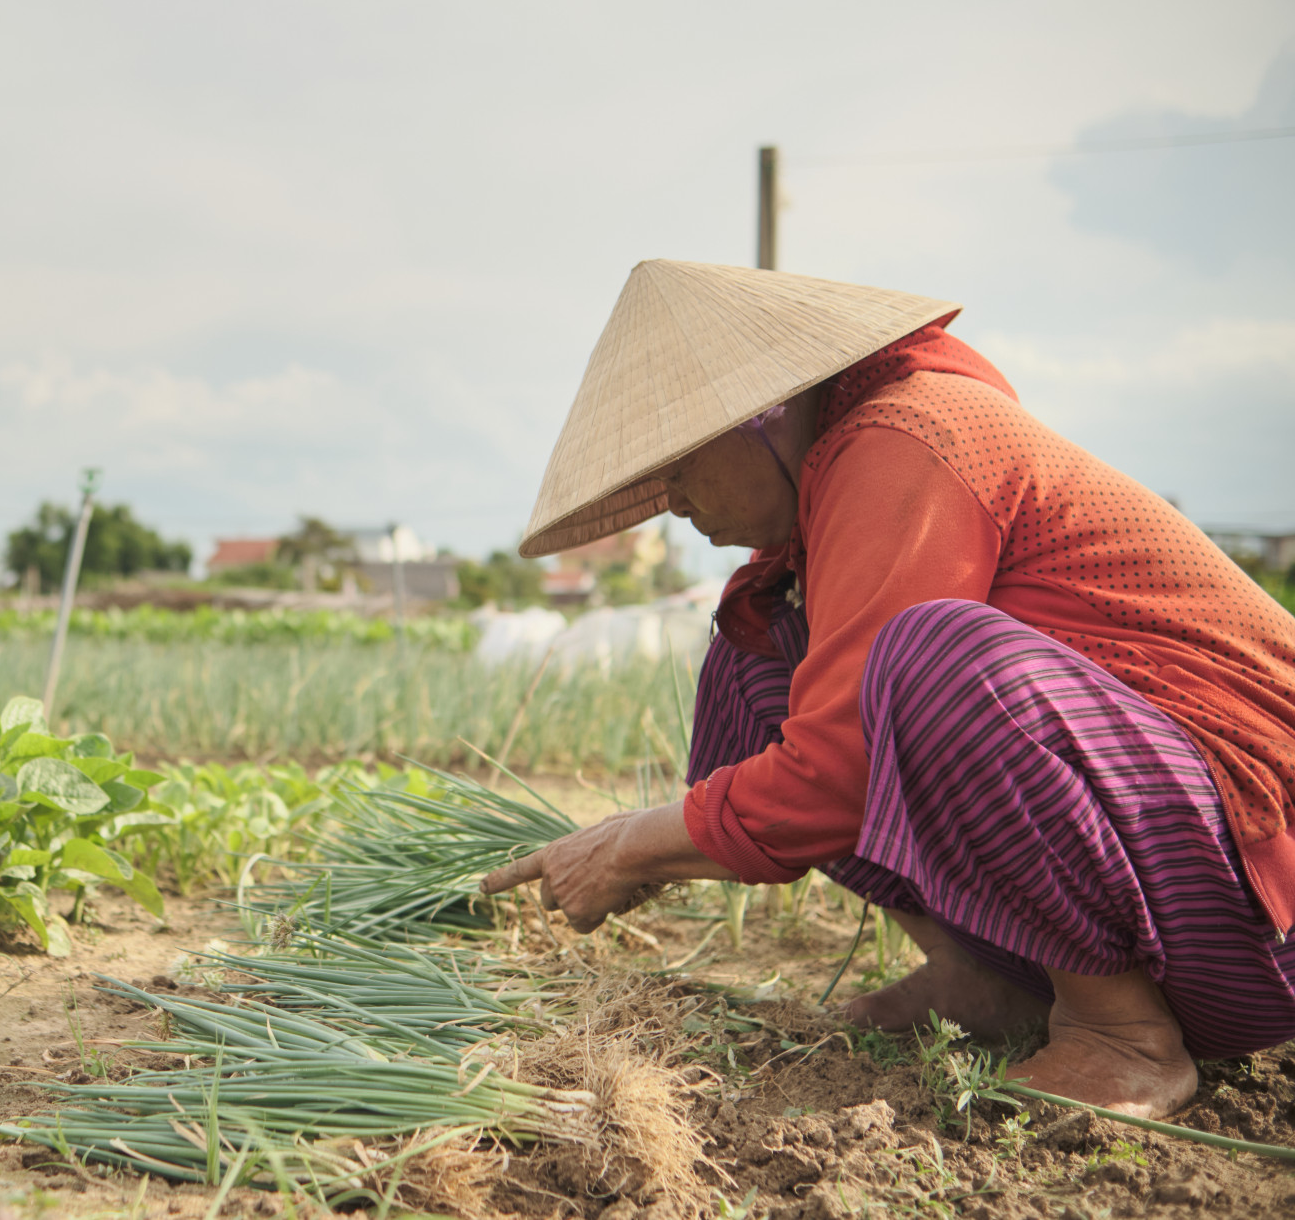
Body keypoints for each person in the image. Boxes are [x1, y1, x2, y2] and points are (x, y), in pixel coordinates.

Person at [480, 260, 1295, 1119]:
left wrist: (629, 845)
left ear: (764, 412)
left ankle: (1123, 1036)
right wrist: (650, 839)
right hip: (1163, 898)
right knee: (762, 646)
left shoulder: (907, 438)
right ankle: (982, 975)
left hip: (1254, 908)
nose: (673, 504)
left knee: (929, 654)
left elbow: (838, 769)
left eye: (678, 467)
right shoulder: (836, 486)